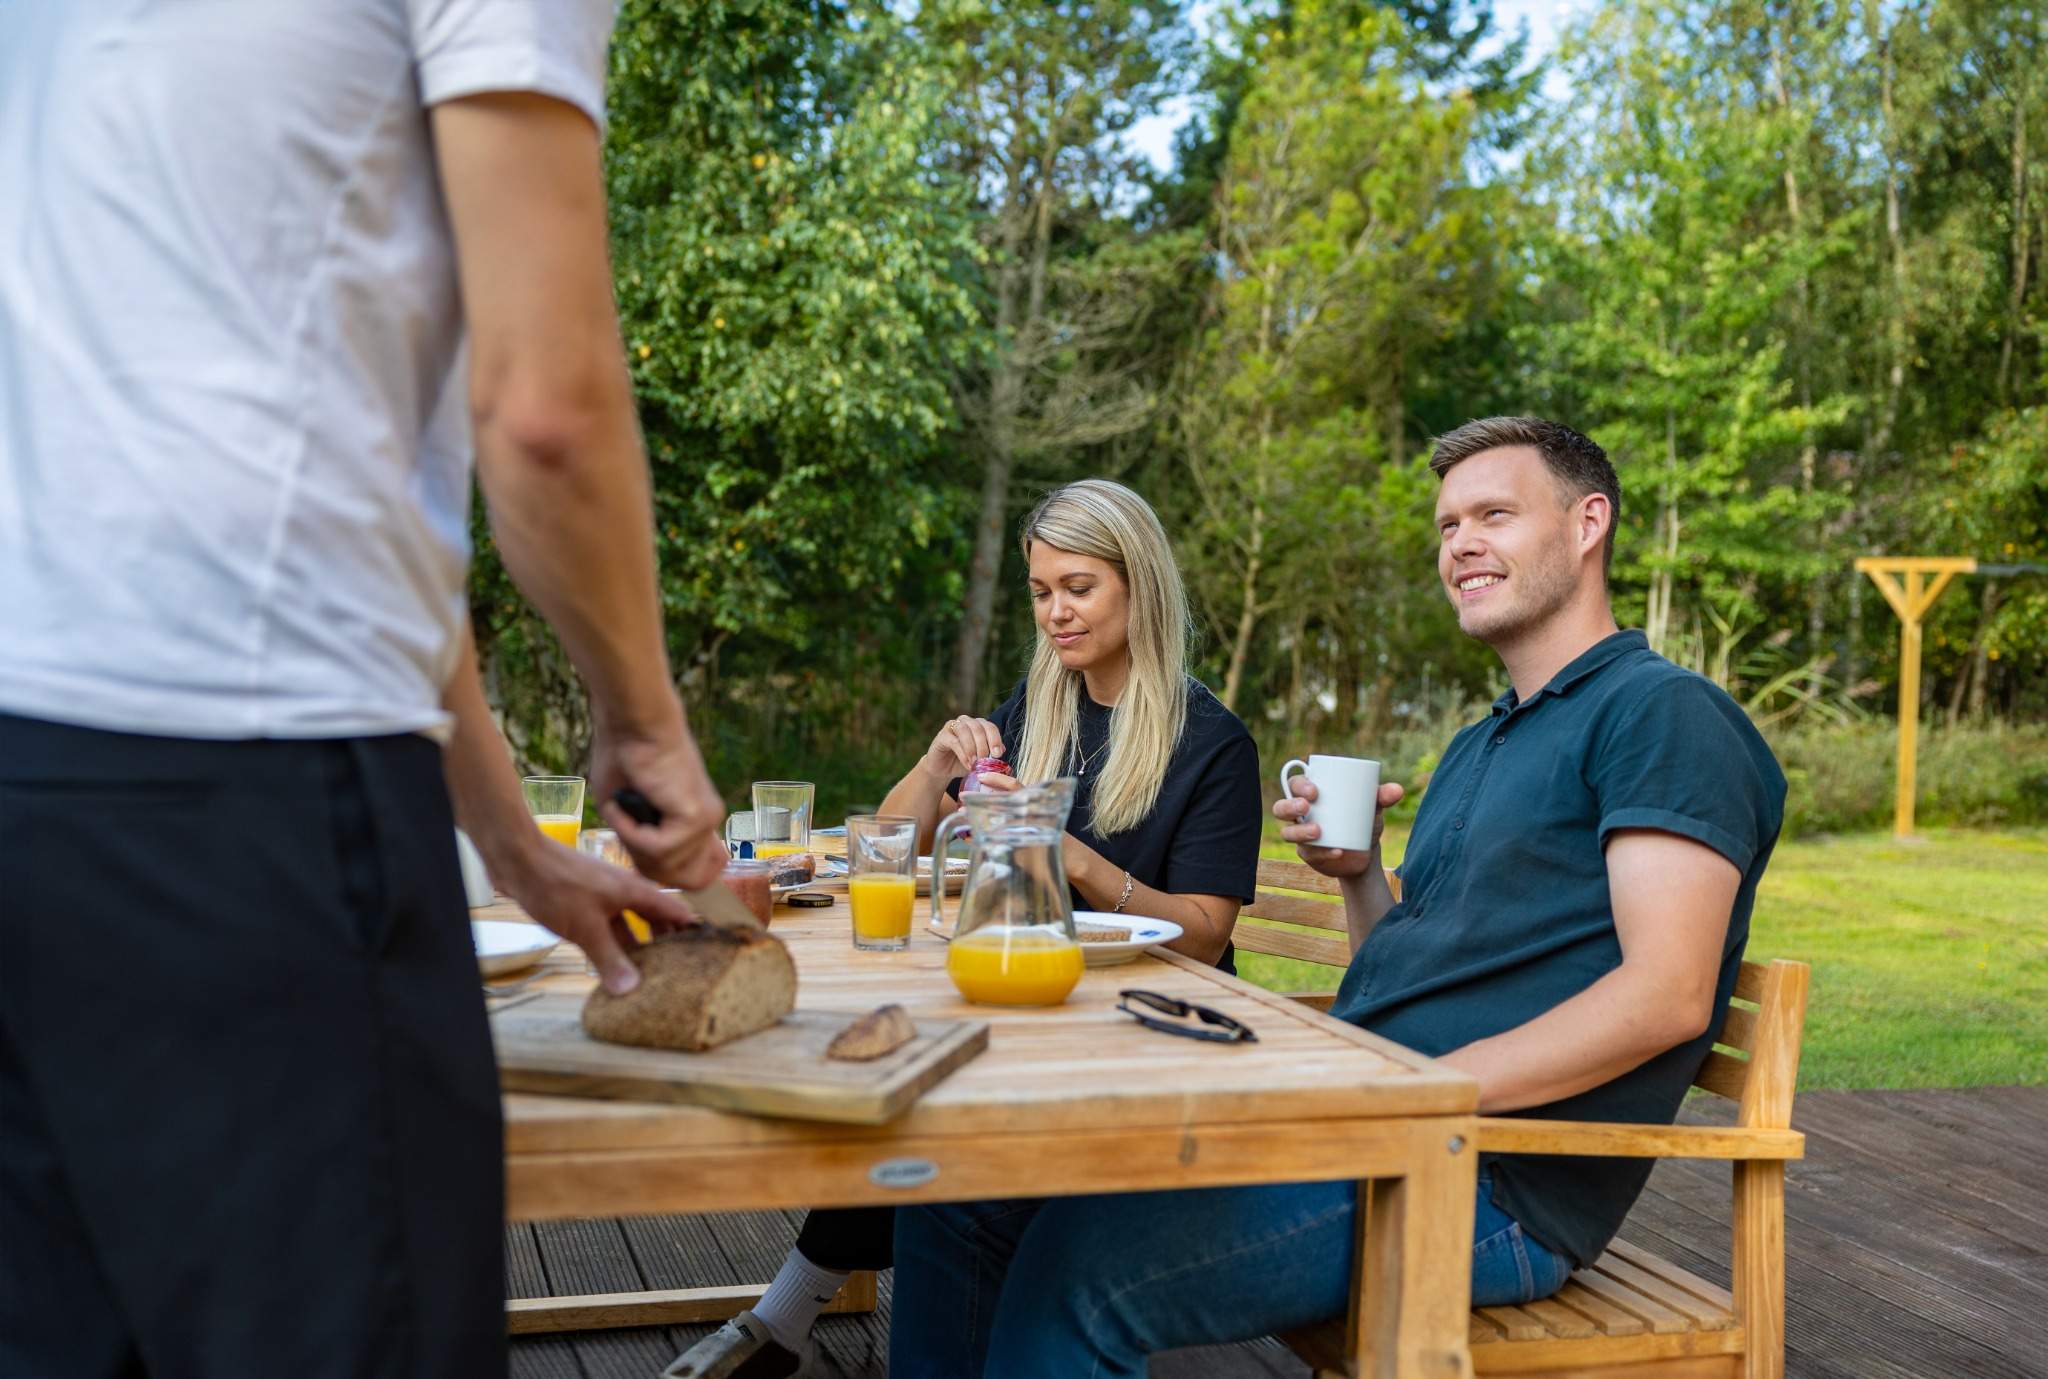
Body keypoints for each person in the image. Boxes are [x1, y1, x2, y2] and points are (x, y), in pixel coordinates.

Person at [0, 5, 730, 1376]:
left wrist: (516, 850)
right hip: (251, 796)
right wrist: (647, 726)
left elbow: (355, 504)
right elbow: (546, 414)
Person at [886, 417, 1788, 1378]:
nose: (1461, 544)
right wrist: (1362, 876)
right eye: (1447, 526)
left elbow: (1669, 993)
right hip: (1368, 1124)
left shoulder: (1662, 713)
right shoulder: (1484, 741)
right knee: (962, 1196)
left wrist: (1418, 1093)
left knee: (1084, 1269)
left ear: (1588, 523)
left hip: (1483, 1178)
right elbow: (1396, 970)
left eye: (1495, 514)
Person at [669, 478, 1262, 1379]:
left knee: (927, 1137)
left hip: (1141, 1034)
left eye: (1079, 587)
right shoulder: (1041, 706)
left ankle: (782, 1321)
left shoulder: (1212, 742)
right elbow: (891, 846)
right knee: (900, 1088)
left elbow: (1207, 938)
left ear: (1138, 583)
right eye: (1040, 591)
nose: (1055, 612)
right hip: (1031, 999)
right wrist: (936, 759)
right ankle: (781, 1321)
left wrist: (1073, 857)